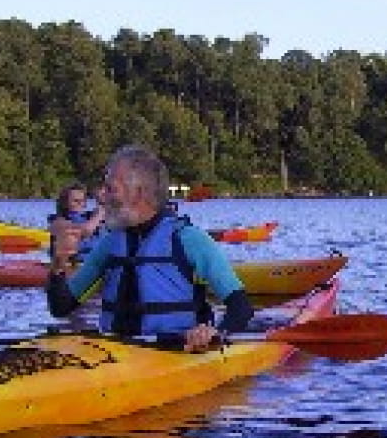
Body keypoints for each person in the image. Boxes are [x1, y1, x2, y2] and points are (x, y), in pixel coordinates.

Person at [45, 145, 253, 352]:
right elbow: (61, 308)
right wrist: (58, 265)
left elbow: (241, 308)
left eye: (111, 189)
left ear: (138, 192)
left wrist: (214, 334)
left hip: (176, 353)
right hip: (117, 355)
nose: (103, 198)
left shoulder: (188, 239)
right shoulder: (110, 244)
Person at [47, 182, 105, 260]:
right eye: (76, 201)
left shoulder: (91, 216)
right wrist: (100, 212)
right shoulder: (58, 221)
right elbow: (85, 230)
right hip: (72, 264)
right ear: (65, 203)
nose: (80, 204)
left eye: (83, 201)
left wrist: (102, 201)